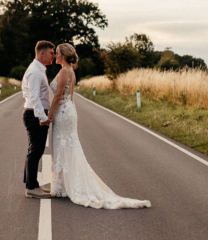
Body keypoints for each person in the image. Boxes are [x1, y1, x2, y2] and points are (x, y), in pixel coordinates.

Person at [48, 43, 151, 209]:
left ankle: (62, 186)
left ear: (64, 56)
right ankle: (63, 185)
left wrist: (49, 114)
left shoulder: (63, 71)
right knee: (68, 147)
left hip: (63, 112)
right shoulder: (71, 71)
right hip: (70, 110)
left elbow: (58, 96)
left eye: (57, 52)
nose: (55, 55)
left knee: (63, 146)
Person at [21, 40, 55, 199]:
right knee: (36, 150)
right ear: (42, 53)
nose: (53, 56)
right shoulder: (35, 71)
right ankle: (31, 188)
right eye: (51, 52)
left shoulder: (39, 69)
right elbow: (35, 97)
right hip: (34, 115)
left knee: (35, 150)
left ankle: (32, 183)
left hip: (34, 114)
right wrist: (42, 117)